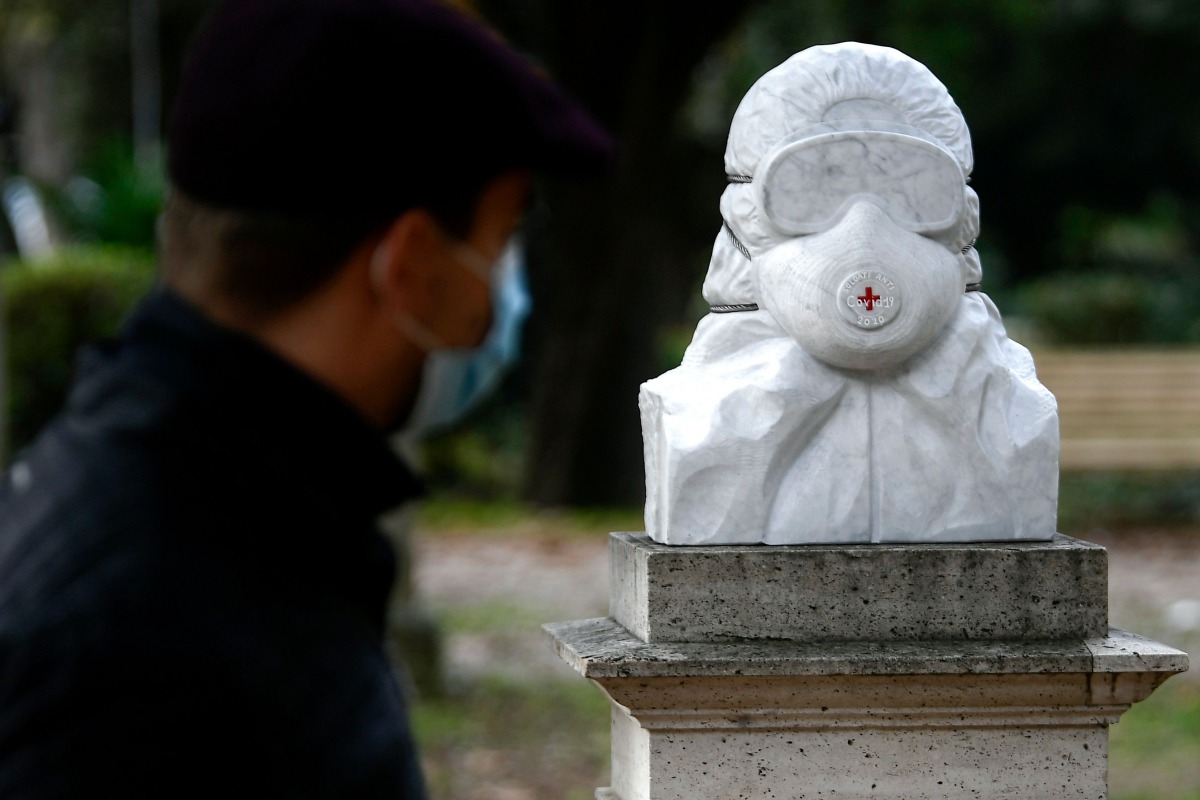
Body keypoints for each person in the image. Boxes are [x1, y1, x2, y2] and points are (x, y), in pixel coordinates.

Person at [0, 0, 611, 796]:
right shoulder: (167, 627)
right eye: (501, 244)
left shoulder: (203, 501)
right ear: (412, 267)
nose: (507, 300)